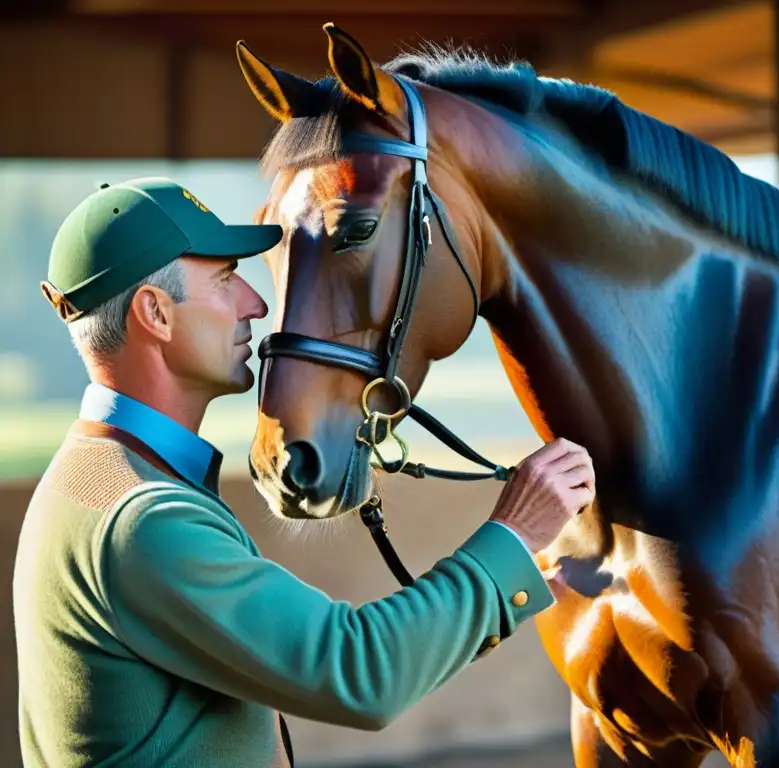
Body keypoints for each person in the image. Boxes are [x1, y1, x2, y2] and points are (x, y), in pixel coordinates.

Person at [13, 177, 596, 768]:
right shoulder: (141, 520)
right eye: (224, 279)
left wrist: (495, 592)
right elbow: (357, 672)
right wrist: (513, 535)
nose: (255, 305)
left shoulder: (94, 478)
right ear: (156, 313)